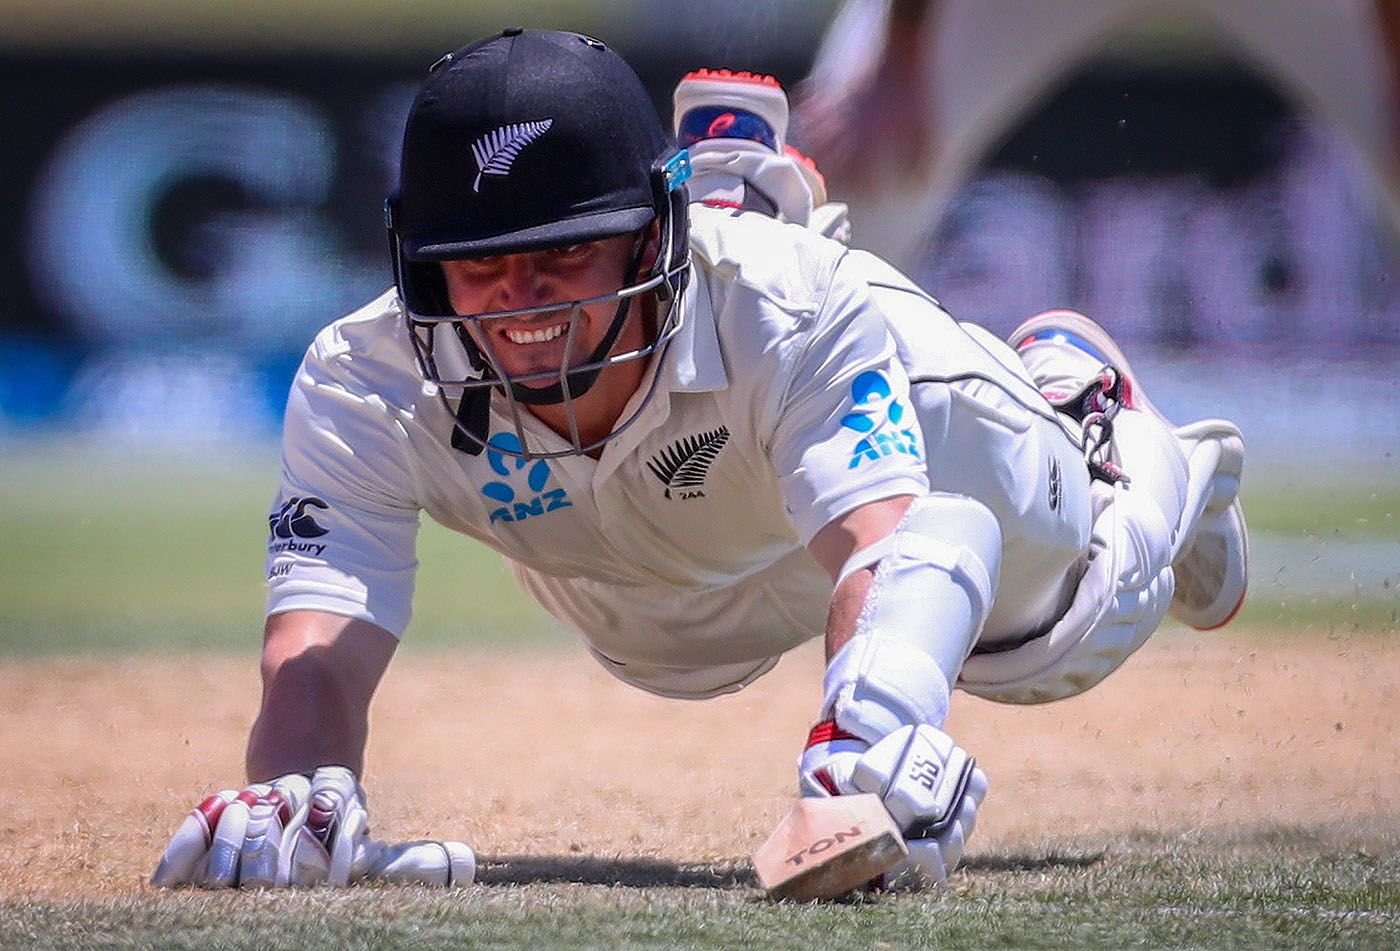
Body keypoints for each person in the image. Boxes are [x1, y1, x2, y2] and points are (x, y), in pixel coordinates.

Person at [153, 30, 1248, 891]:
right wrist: (299, 796)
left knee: (1034, 643)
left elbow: (892, 539)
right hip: (649, 572)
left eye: (563, 256)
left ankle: (1092, 410)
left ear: (646, 239)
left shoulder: (800, 307)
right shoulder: (363, 377)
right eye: (480, 268)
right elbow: (314, 658)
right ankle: (733, 184)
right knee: (664, 652)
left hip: (923, 436)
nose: (519, 307)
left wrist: (865, 742)